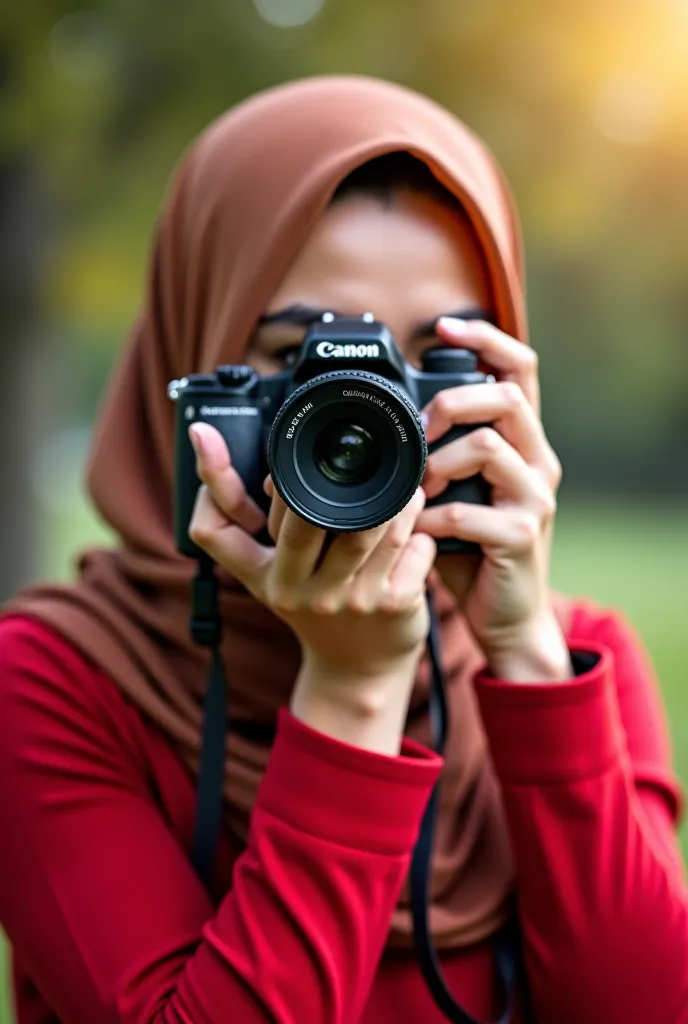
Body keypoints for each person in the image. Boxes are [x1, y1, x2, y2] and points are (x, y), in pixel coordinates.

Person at [0, 75, 686, 1024]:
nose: (371, 412)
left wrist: (527, 661)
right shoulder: (53, 681)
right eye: (299, 353)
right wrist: (353, 692)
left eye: (430, 361)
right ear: (192, 362)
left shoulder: (580, 659)